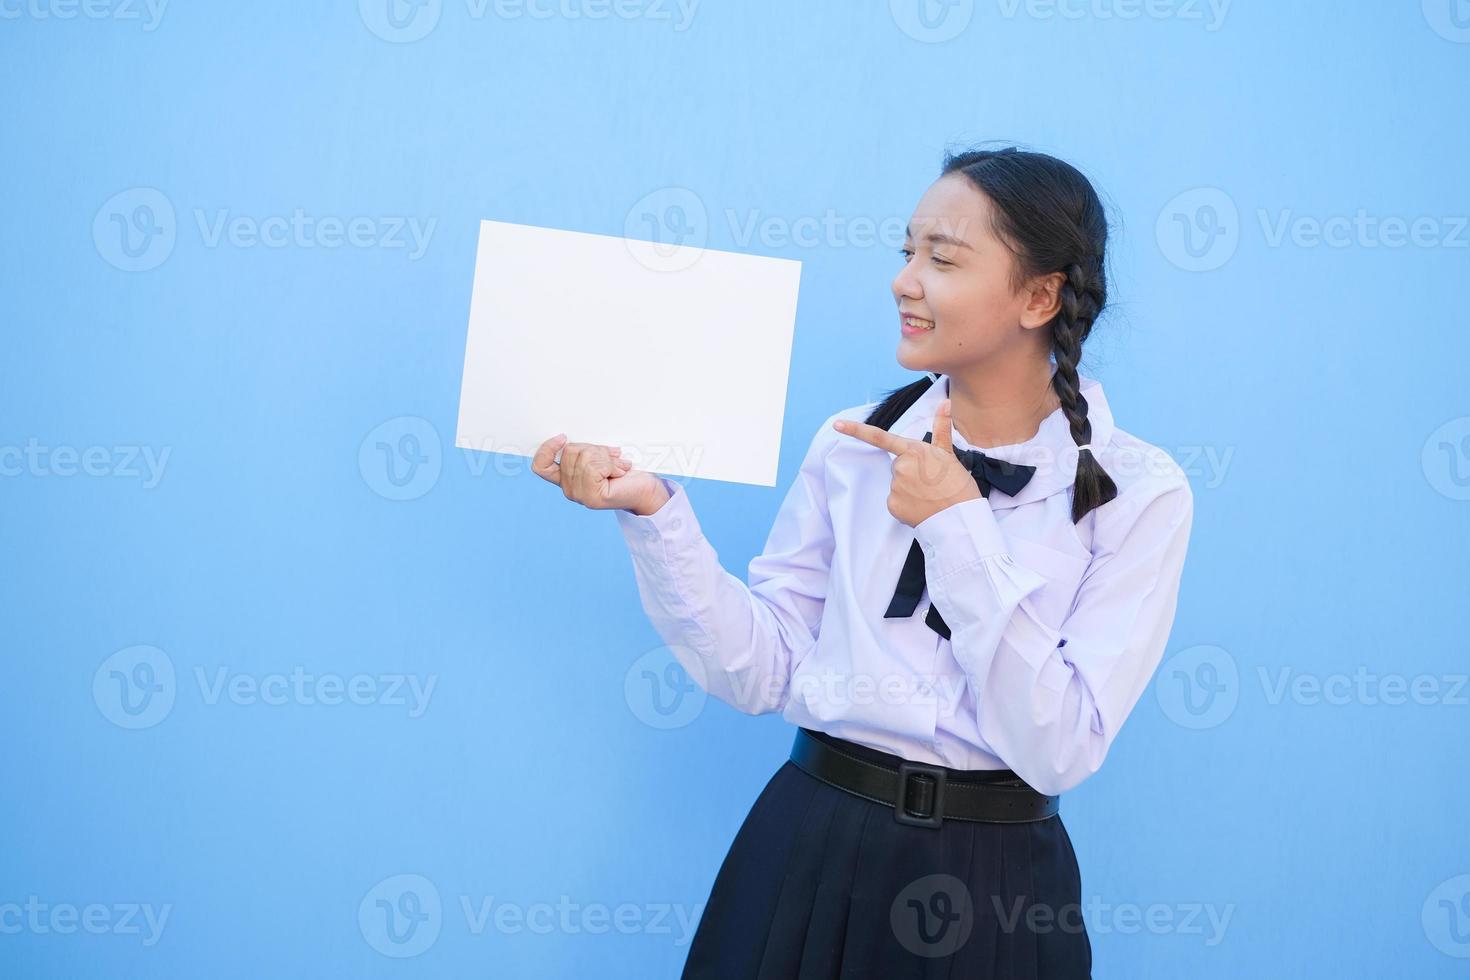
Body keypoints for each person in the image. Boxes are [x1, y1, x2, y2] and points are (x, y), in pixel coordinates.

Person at [531, 145, 1194, 979]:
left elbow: (1059, 747)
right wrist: (653, 512)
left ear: (1038, 296)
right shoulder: (851, 444)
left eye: (943, 258)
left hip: (997, 884)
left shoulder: (1138, 491)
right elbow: (761, 671)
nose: (905, 280)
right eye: (907, 252)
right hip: (808, 843)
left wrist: (957, 525)